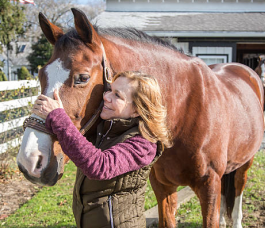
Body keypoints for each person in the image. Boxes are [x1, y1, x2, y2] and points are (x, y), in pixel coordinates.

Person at [32, 71, 172, 228]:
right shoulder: (104, 130)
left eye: (117, 95)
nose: (106, 96)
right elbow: (75, 143)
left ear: (137, 110)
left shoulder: (145, 143)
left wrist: (58, 117)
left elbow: (99, 166)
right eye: (109, 90)